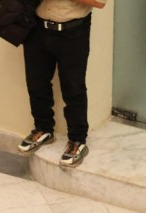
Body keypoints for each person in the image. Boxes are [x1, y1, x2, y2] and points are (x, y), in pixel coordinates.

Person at [17, 0, 107, 167]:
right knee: (36, 82)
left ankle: (77, 140)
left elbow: (99, 3)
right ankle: (43, 129)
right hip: (36, 27)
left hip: (73, 31)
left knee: (73, 87)